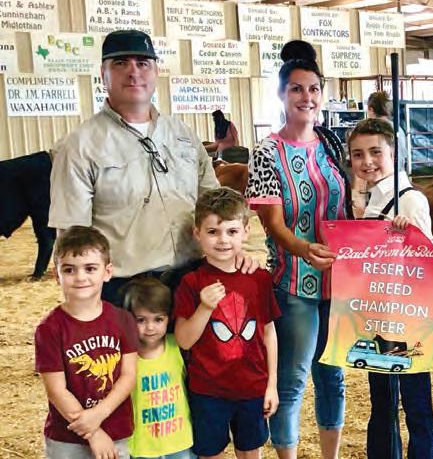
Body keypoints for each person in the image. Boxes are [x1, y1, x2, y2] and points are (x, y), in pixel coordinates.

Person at [48, 29, 220, 307]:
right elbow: (72, 233)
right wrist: (82, 305)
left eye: (143, 63)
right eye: (120, 63)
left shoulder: (183, 135)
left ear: (156, 71)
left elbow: (214, 205)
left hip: (192, 282)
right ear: (103, 74)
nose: (133, 72)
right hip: (123, 291)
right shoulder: (79, 146)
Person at [245, 40, 353, 459]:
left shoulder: (331, 142)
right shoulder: (266, 152)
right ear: (281, 94)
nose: (306, 97)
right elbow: (273, 225)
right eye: (296, 89)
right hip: (294, 284)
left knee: (332, 378)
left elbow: (347, 206)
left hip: (338, 284)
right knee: (291, 381)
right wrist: (305, 250)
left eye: (313, 89)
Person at [347, 118, 433, 459]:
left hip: (409, 320)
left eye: (375, 152)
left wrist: (407, 238)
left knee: (415, 402)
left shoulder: (410, 201)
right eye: (358, 154)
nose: (367, 161)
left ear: (393, 154)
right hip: (376, 315)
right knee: (382, 401)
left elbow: (429, 265)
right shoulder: (369, 199)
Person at [174, 187, 280, 459]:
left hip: (252, 387)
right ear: (197, 234)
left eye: (232, 231)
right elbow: (184, 340)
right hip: (208, 391)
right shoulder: (191, 283)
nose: (223, 240)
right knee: (210, 451)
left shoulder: (259, 279)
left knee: (250, 449)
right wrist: (204, 308)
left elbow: (269, 332)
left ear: (246, 232)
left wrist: (271, 385)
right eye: (213, 232)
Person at [34, 226, 138, 459]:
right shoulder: (49, 329)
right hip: (67, 438)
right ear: (57, 275)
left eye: (90, 268)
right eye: (69, 269)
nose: (80, 277)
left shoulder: (123, 320)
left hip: (115, 431)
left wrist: (99, 414)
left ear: (107, 272)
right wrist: (93, 433)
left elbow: (128, 376)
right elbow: (56, 390)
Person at [123, 277, 195, 459]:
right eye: (141, 320)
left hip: (179, 442)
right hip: (143, 446)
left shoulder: (177, 345)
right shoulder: (126, 355)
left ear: (169, 318)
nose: (150, 327)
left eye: (158, 319)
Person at [367, 91, 407, 172]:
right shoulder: (398, 129)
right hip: (400, 174)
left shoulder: (373, 130)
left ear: (371, 109)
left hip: (384, 175)